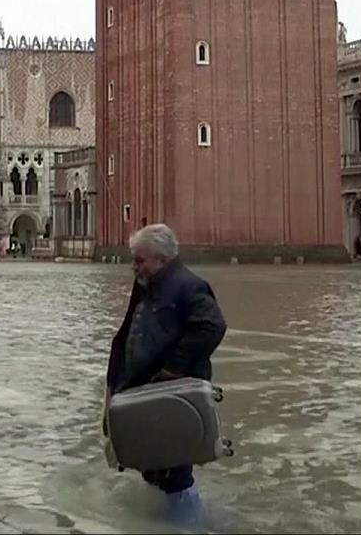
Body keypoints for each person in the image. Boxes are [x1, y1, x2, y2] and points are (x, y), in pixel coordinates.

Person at [105, 224, 226, 523]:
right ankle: (166, 523)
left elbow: (212, 326)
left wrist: (174, 367)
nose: (134, 266)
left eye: (139, 260)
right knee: (154, 466)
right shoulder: (148, 283)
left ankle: (193, 526)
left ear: (161, 259)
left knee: (174, 474)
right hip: (146, 392)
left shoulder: (188, 285)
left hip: (170, 396)